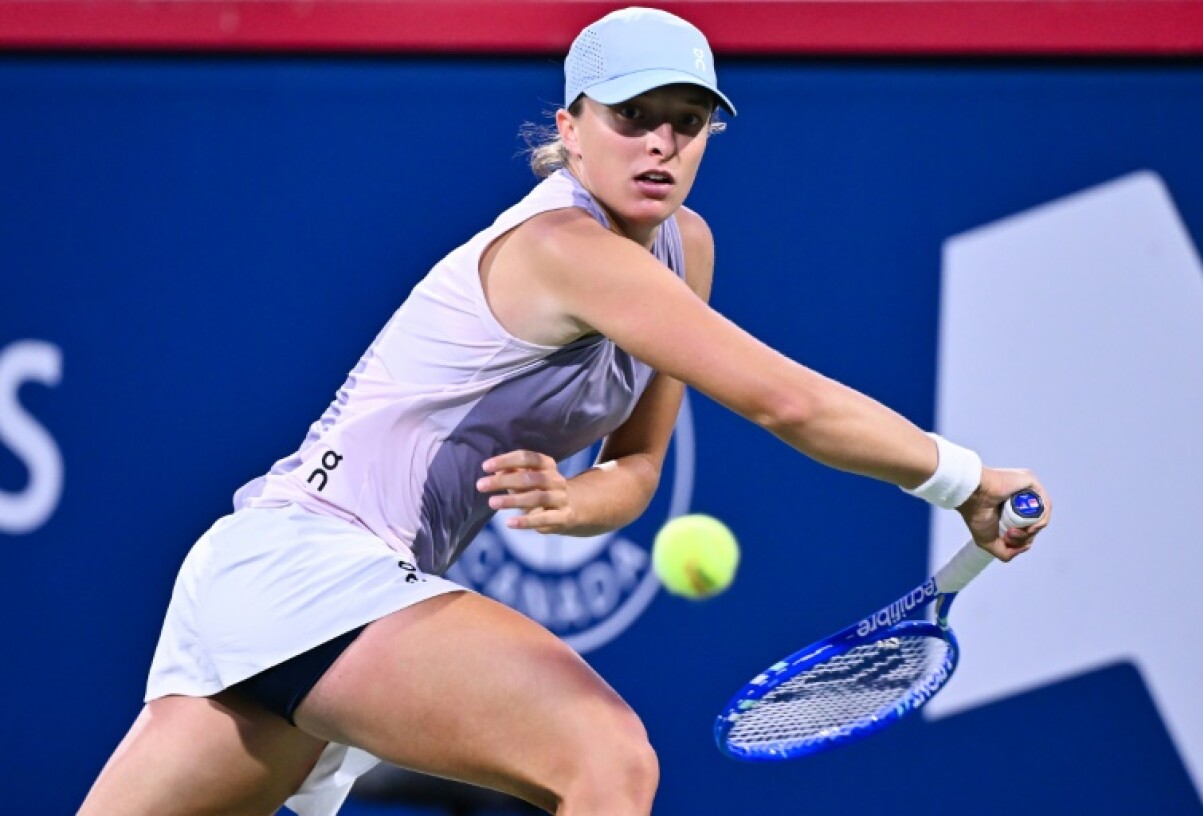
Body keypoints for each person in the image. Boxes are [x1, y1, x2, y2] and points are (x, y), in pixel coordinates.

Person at [79, 6, 1050, 816]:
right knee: (606, 756)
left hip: (279, 583)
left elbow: (635, 472)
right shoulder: (561, 247)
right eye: (633, 116)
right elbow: (785, 401)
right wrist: (965, 479)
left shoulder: (686, 248)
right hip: (306, 564)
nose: (662, 142)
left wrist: (572, 501)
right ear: (571, 125)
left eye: (688, 119)